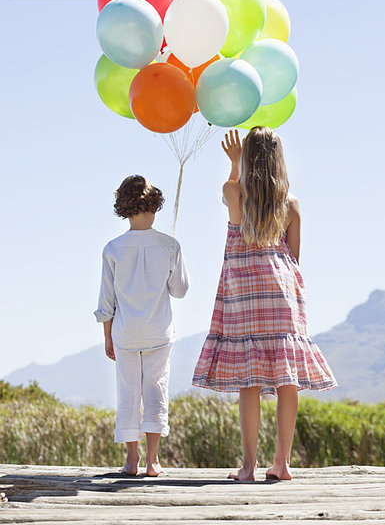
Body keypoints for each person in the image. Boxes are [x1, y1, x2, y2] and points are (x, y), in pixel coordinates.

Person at [192, 127, 337, 481]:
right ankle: (283, 464)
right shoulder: (290, 204)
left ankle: (248, 467)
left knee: (249, 380)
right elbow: (295, 256)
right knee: (288, 380)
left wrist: (234, 163)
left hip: (245, 294)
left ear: (249, 159)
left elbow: (230, 194)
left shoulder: (234, 192)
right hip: (284, 291)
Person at [94, 175, 189, 477]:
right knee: (155, 390)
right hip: (159, 332)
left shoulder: (113, 248)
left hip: (125, 333)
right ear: (155, 205)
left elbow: (105, 301)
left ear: (123, 207)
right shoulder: (169, 245)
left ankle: (131, 461)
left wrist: (107, 337)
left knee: (128, 393)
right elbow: (180, 290)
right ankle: (153, 461)